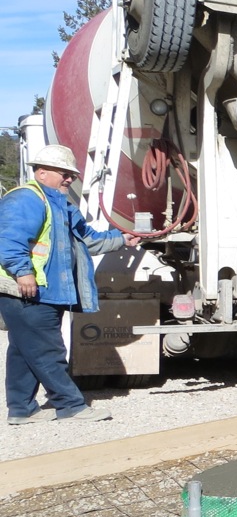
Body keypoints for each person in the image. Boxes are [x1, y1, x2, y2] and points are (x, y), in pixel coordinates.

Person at [0, 144, 140, 423]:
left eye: (72, 175)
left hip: (47, 291)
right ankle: (71, 405)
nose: (69, 179)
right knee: (48, 350)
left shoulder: (61, 205)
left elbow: (88, 239)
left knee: (24, 350)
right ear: (41, 172)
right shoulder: (27, 198)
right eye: (64, 173)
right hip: (26, 290)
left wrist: (122, 239)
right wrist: (22, 272)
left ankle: (21, 410)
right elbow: (8, 239)